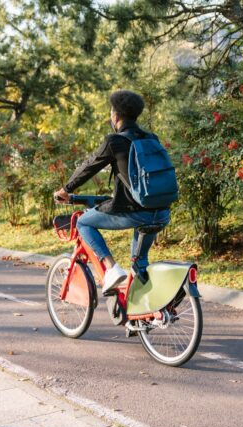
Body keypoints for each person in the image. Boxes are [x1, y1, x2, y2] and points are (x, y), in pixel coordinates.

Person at [54, 90, 171, 295]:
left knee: (83, 222)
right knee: (139, 263)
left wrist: (65, 190)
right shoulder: (152, 138)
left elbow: (89, 166)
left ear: (115, 116)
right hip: (161, 211)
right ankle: (140, 318)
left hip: (134, 211)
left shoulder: (115, 141)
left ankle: (111, 268)